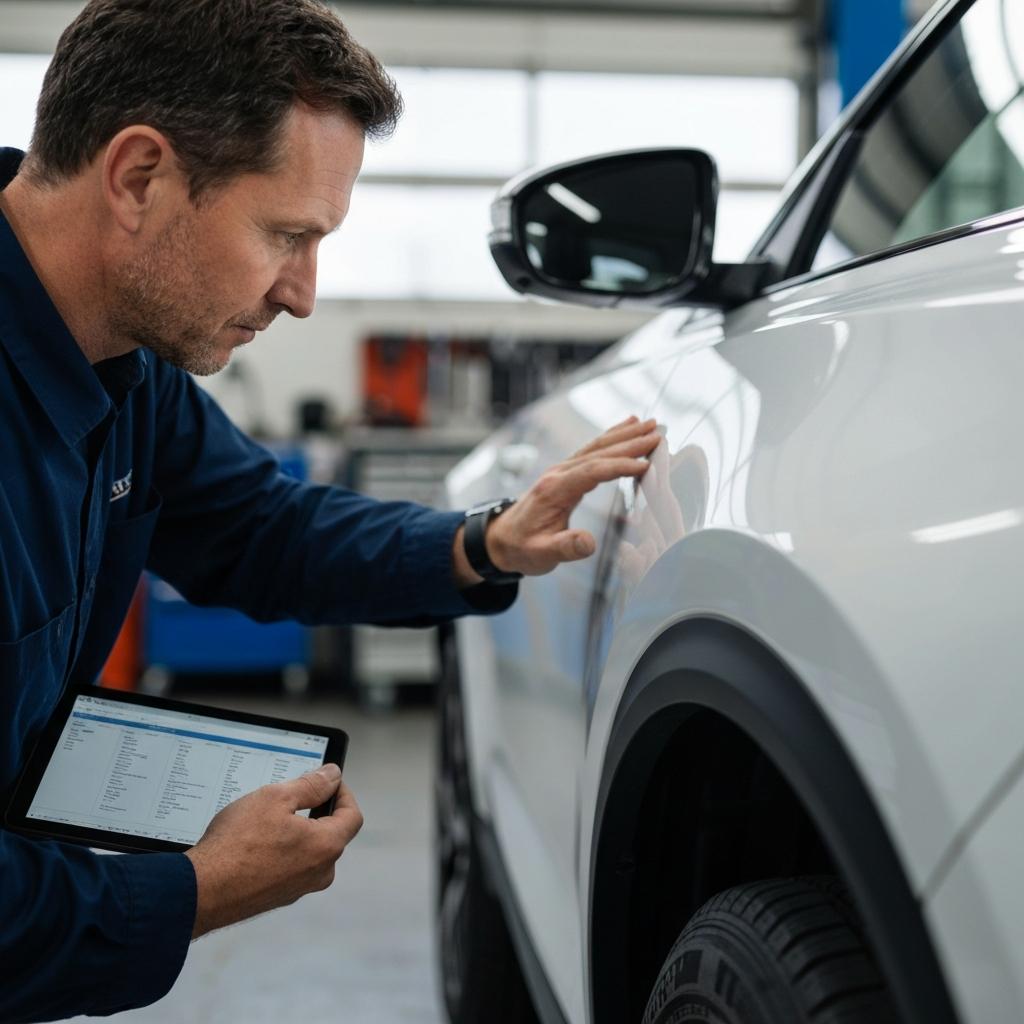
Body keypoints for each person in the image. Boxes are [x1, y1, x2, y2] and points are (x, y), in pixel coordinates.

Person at [0, 0, 661, 1019]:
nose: (303, 294)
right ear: (140, 177)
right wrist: (193, 890)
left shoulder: (124, 364)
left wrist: (483, 542)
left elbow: (261, 526)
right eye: (286, 235)